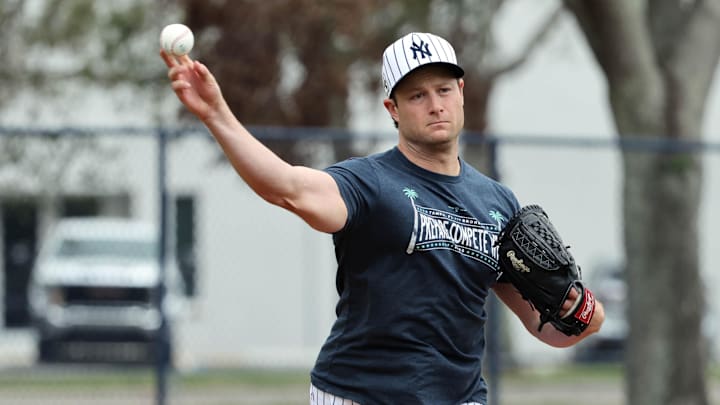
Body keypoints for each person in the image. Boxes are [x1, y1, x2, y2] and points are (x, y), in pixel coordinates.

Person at [161, 31, 604, 405]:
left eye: (444, 90)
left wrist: (581, 310)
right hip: (359, 392)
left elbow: (548, 330)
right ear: (392, 109)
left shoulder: (497, 202)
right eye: (417, 95)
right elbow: (288, 189)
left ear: (461, 93)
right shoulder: (369, 183)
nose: (435, 105)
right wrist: (217, 115)